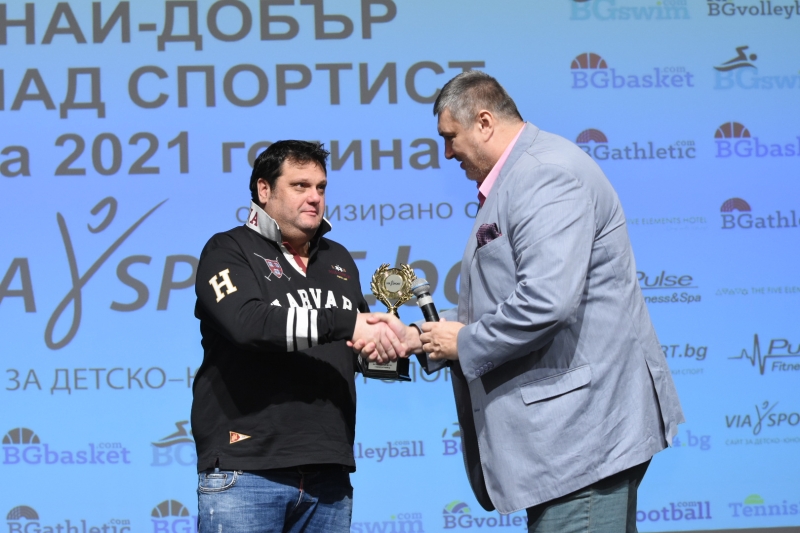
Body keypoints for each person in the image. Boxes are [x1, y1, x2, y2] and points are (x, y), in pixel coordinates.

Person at [356, 71, 685, 532]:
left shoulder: (544, 173)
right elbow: (503, 300)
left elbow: (546, 301)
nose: (446, 153)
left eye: (450, 137)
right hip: (568, 444)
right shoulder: (521, 176)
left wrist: (463, 343)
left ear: (484, 122)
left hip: (581, 440)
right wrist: (417, 337)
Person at [191, 140, 406, 533]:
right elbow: (247, 324)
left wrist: (396, 344)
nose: (314, 197)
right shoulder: (228, 249)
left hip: (329, 470)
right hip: (248, 468)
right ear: (264, 190)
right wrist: (348, 324)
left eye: (321, 187)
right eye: (300, 186)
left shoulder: (339, 259)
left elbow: (354, 346)